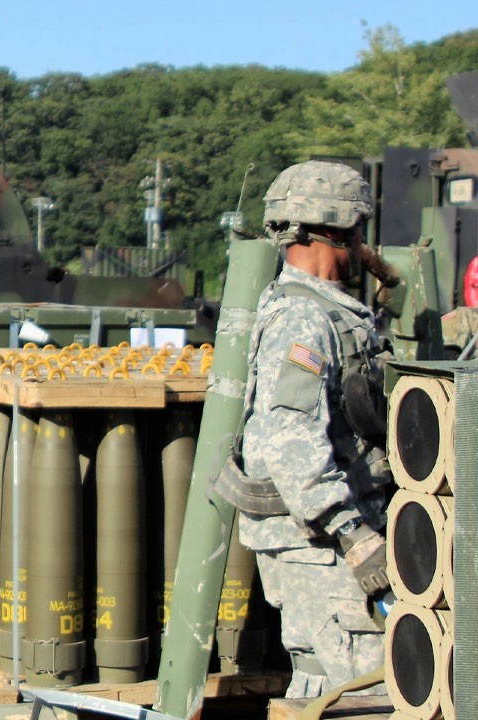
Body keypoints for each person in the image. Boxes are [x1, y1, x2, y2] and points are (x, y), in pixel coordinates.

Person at [231, 160, 392, 698]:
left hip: (323, 544)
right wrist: (353, 534)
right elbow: (288, 441)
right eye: (359, 229)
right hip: (323, 547)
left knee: (327, 686)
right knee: (364, 692)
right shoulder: (304, 318)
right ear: (335, 230)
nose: (364, 244)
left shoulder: (326, 311)